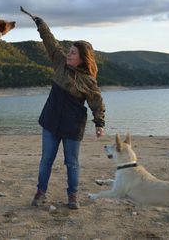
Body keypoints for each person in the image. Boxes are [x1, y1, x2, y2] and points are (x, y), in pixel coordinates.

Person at [31, 16, 106, 209]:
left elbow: (96, 102)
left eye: (73, 53)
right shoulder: (60, 63)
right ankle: (40, 192)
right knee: (46, 159)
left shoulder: (88, 80)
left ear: (82, 58)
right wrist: (42, 25)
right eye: (69, 52)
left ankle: (72, 196)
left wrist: (99, 123)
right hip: (51, 121)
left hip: (73, 126)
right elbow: (50, 43)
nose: (68, 55)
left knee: (72, 162)